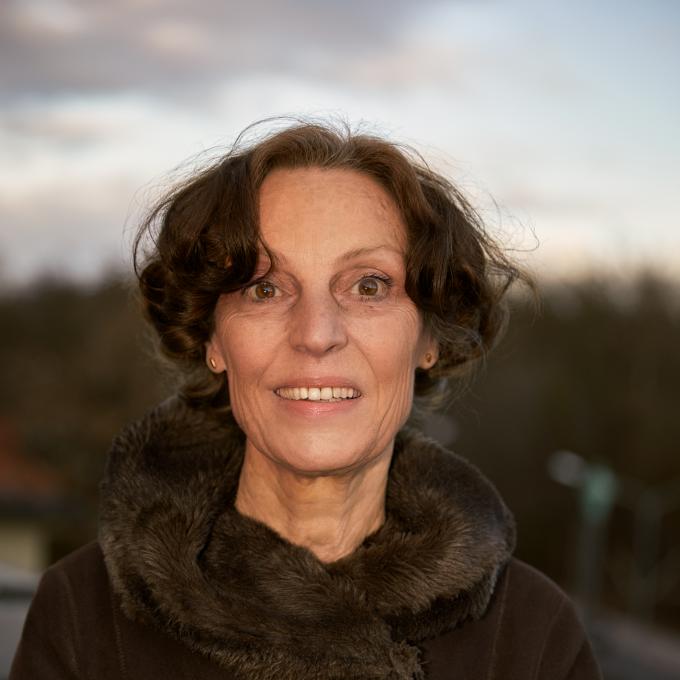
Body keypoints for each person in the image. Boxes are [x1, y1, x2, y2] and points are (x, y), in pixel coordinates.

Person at [11, 121, 602, 679]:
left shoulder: (533, 637)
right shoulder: (81, 614)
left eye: (369, 286)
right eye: (265, 288)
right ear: (212, 337)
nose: (317, 333)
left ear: (429, 337)